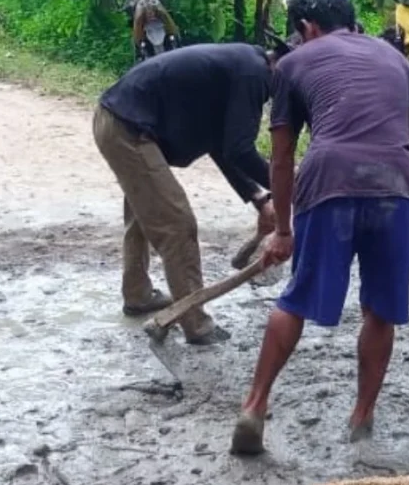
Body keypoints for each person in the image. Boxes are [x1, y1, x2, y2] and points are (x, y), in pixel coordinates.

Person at [230, 0, 409, 455]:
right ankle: (362, 418)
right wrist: (395, 166)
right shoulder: (397, 59)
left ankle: (254, 405)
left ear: (307, 28)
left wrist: (284, 230)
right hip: (394, 189)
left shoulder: (292, 64)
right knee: (381, 309)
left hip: (328, 181)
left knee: (296, 298)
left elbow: (282, 157)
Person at [93, 42, 283, 344]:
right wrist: (288, 188)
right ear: (282, 66)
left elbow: (223, 145)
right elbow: (240, 149)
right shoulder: (255, 73)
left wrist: (259, 197)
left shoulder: (244, 64)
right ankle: (195, 323)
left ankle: (138, 295)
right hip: (130, 129)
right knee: (178, 225)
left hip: (119, 119)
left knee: (145, 214)